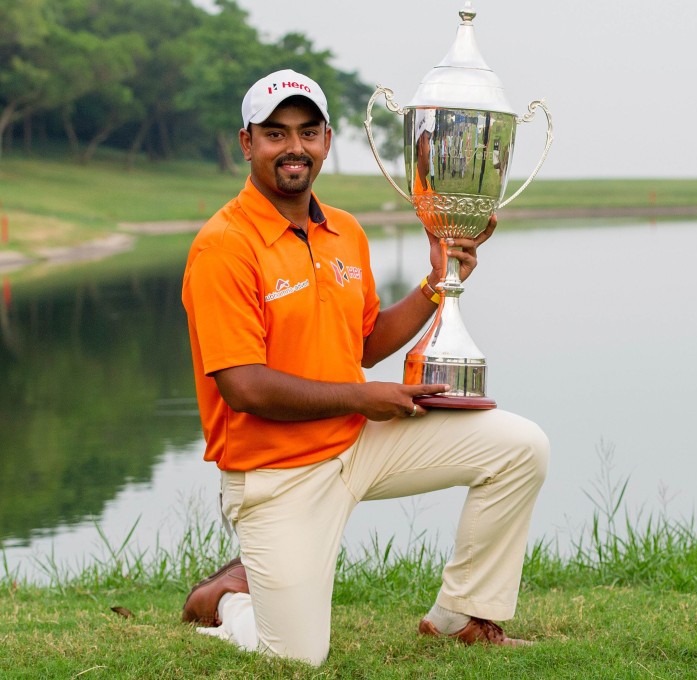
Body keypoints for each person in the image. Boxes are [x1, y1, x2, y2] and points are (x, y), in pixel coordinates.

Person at [179, 68, 549, 667]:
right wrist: (362, 397)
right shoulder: (224, 245)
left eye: (307, 131)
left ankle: (461, 617)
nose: (293, 147)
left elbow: (364, 342)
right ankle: (225, 601)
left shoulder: (343, 232)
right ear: (247, 144)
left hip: (357, 445)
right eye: (275, 134)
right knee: (296, 657)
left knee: (519, 447)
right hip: (278, 474)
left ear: (326, 140)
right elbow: (242, 386)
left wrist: (438, 283)